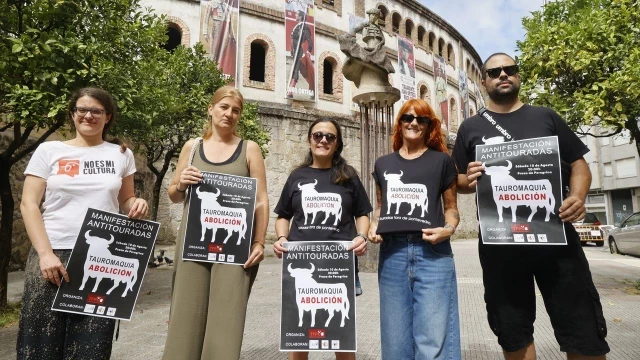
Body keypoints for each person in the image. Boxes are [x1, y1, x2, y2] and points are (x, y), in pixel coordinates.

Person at [453, 52, 610, 360]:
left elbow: (579, 164)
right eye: (494, 71)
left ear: (518, 76)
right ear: (483, 81)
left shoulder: (546, 116)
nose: (502, 75)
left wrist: (577, 197)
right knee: (513, 333)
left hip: (557, 243)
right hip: (501, 246)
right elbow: (458, 181)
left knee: (583, 329)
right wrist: (466, 178)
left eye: (509, 69)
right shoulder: (470, 128)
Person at [17, 87, 149, 359]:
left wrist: (137, 204)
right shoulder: (49, 150)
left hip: (102, 260)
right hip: (54, 253)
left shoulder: (122, 154)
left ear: (108, 116)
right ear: (73, 114)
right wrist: (45, 255)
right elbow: (29, 204)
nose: (89, 115)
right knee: (41, 341)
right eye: (82, 110)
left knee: (92, 344)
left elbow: (125, 200)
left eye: (96, 111)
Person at [162, 86, 269, 359]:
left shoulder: (249, 149)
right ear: (210, 109)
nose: (229, 114)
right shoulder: (192, 146)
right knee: (186, 316)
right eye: (224, 107)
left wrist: (258, 241)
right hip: (193, 243)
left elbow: (260, 200)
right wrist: (181, 183)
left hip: (234, 246)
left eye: (236, 110)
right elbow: (174, 195)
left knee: (226, 320)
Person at [368, 98, 461, 359]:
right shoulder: (383, 164)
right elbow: (380, 209)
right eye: (408, 118)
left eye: (421, 119)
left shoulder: (442, 161)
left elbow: (451, 208)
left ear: (429, 126)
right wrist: (374, 226)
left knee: (433, 340)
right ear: (399, 124)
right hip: (393, 253)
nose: (414, 123)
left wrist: (448, 229)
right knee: (395, 341)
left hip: (433, 252)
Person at [273, 118, 371, 360]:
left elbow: (362, 214)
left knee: (342, 334)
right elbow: (283, 215)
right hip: (301, 256)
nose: (323, 140)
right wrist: (282, 237)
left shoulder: (348, 176)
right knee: (299, 331)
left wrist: (361, 236)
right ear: (309, 140)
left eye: (330, 137)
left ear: (337, 144)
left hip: (339, 264)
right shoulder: (297, 176)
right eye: (318, 135)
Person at [286, 10, 315, 99]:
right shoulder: (298, 26)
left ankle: (290, 92)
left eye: (297, 14)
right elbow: (292, 39)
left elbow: (310, 41)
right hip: (295, 51)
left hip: (299, 52)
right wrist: (291, 50)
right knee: (302, 71)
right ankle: (312, 91)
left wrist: (309, 51)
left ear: (301, 16)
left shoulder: (304, 27)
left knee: (297, 70)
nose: (295, 15)